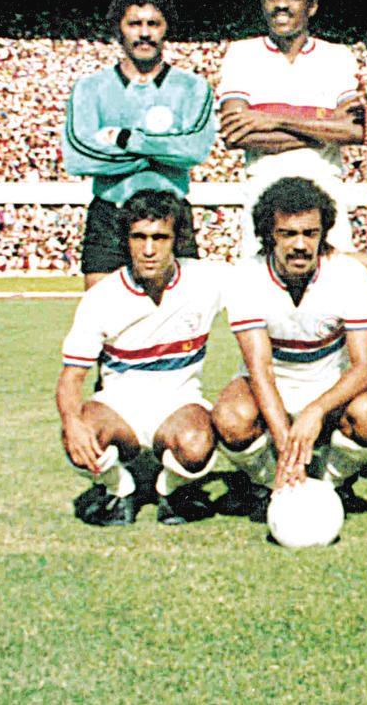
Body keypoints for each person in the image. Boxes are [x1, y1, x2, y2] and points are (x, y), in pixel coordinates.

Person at [210, 177, 367, 517]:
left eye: (310, 233)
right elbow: (260, 370)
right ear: (269, 235)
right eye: (287, 234)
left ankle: (331, 482)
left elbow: (364, 368)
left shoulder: (349, 274)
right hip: (270, 383)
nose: (301, 245)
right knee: (231, 418)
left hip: (328, 385)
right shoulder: (246, 276)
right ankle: (269, 482)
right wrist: (285, 445)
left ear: (324, 233)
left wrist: (315, 410)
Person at [55, 189, 230, 526]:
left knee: (196, 444)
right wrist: (72, 423)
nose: (149, 250)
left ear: (176, 240)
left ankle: (169, 490)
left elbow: (266, 279)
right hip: (118, 408)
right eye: (139, 237)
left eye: (160, 237)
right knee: (79, 432)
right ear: (126, 240)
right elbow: (71, 377)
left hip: (179, 404)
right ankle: (121, 489)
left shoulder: (207, 280)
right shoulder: (101, 297)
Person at [62, 0, 215, 288]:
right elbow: (78, 157)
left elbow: (194, 150)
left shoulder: (193, 88)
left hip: (171, 211)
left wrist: (126, 140)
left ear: (166, 29)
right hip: (111, 210)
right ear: (119, 29)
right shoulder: (89, 88)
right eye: (134, 24)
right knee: (103, 309)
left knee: (181, 310)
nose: (144, 33)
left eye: (153, 24)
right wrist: (159, 154)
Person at [215, 0, 363, 256]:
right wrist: (324, 127)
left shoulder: (338, 57)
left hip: (325, 186)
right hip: (264, 187)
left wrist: (273, 120)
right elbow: (235, 134)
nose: (281, 5)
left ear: (311, 6)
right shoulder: (242, 54)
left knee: (334, 274)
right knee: (260, 278)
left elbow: (355, 131)